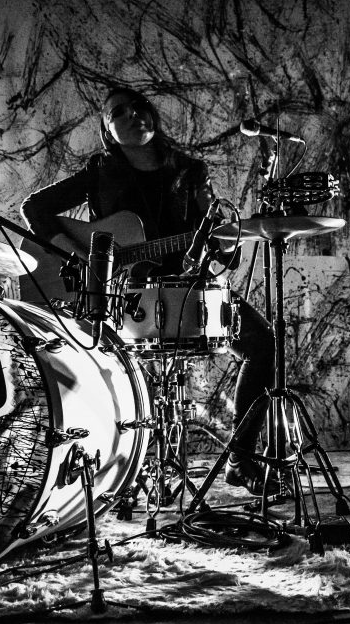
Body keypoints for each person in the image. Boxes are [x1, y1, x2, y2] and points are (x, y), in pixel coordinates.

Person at [20, 87, 276, 494]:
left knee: (264, 344)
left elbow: (217, 248)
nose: (132, 115)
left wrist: (224, 240)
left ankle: (240, 458)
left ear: (152, 114)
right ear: (107, 128)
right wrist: (81, 257)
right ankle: (107, 469)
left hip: (186, 289)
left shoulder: (189, 171)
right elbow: (33, 209)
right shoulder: (99, 172)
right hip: (121, 297)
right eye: (118, 112)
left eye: (138, 107)